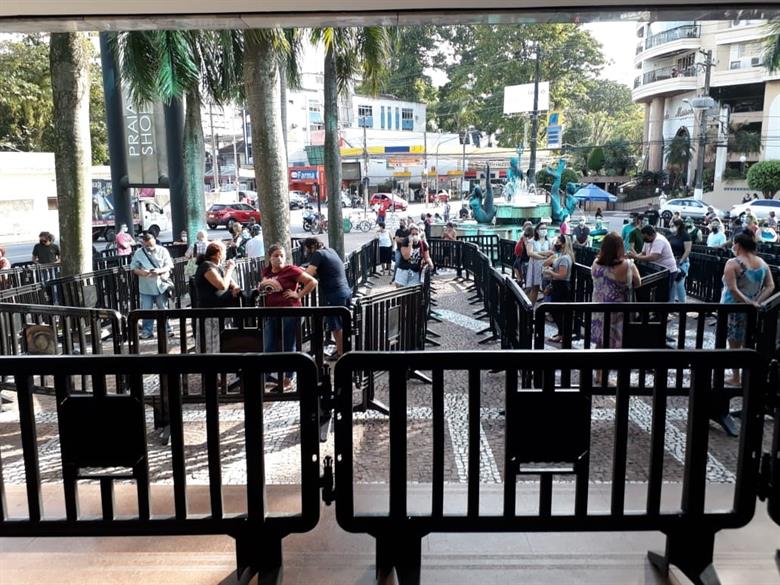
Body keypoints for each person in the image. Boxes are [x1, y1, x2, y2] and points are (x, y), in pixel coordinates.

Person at [260, 244, 318, 391]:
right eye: (275, 255)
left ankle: (288, 379)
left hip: (291, 313)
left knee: (289, 344)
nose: (279, 258)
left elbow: (312, 281)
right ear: (269, 258)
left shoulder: (291, 270)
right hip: (271, 313)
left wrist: (298, 295)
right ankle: (266, 377)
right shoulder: (266, 271)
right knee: (268, 345)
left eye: (281, 255)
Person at [721, 232, 775, 385]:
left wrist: (747, 302)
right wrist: (756, 301)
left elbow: (733, 289)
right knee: (748, 343)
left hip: (733, 309)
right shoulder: (762, 263)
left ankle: (736, 377)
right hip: (753, 310)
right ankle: (748, 376)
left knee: (734, 345)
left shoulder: (733, 263)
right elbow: (770, 286)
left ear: (738, 245)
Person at [591, 233, 641, 351]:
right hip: (618, 312)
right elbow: (638, 283)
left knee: (601, 342)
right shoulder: (628, 265)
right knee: (617, 344)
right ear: (620, 247)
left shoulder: (596, 263)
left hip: (598, 309)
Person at [303, 237, 352, 359]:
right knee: (342, 323)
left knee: (336, 326)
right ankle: (343, 350)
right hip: (345, 291)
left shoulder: (318, 254)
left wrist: (297, 271)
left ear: (312, 247)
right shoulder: (330, 251)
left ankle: (341, 354)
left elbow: (308, 274)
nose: (306, 252)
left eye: (306, 249)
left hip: (334, 294)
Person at [131, 233, 174, 339]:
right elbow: (134, 268)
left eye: (151, 245)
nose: (149, 247)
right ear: (143, 243)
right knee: (146, 310)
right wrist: (142, 273)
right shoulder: (139, 253)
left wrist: (159, 271)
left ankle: (167, 329)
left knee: (163, 308)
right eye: (147, 245)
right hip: (145, 286)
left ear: (155, 240)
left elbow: (169, 266)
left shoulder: (163, 250)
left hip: (160, 285)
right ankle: (147, 331)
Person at [628, 225, 678, 301]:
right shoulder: (648, 240)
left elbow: (653, 257)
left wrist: (635, 257)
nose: (644, 239)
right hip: (657, 269)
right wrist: (633, 258)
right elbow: (643, 253)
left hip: (668, 270)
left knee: (663, 295)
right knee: (650, 290)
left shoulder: (659, 240)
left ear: (652, 234)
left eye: (645, 237)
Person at [542, 235, 575, 343]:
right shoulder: (561, 256)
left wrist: (550, 272)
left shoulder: (564, 258)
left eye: (558, 242)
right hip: (558, 285)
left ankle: (563, 334)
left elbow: (562, 275)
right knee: (557, 311)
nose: (556, 243)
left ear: (564, 244)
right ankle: (561, 332)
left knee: (557, 311)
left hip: (561, 287)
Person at [525, 222, 553, 303]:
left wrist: (538, 254)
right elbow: (530, 253)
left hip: (545, 266)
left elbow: (551, 252)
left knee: (546, 287)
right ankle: (531, 307)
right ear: (537, 230)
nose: (544, 230)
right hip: (535, 265)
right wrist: (544, 255)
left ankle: (545, 305)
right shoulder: (532, 241)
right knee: (535, 287)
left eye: (545, 228)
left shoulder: (549, 241)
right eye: (542, 228)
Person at [667, 218, 692, 303]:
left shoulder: (685, 235)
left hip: (682, 262)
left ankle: (682, 303)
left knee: (679, 284)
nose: (671, 227)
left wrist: (681, 261)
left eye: (673, 225)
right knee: (672, 285)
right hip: (672, 262)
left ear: (678, 226)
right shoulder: (671, 235)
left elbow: (688, 250)